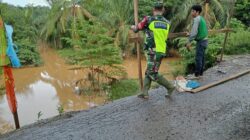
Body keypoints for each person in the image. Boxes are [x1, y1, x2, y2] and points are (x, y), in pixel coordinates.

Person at [131, 1, 174, 99]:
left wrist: (132, 27)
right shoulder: (167, 22)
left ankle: (170, 87)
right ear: (162, 10)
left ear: (153, 9)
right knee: (150, 70)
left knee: (152, 73)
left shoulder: (148, 19)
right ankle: (145, 92)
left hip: (152, 51)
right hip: (161, 50)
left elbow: (136, 29)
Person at [186, 4, 208, 78]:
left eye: (193, 11)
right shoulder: (201, 18)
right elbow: (198, 31)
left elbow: (194, 32)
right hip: (205, 40)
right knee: (202, 58)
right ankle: (201, 74)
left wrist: (189, 41)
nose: (191, 13)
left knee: (198, 58)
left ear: (197, 12)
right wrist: (190, 34)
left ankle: (197, 75)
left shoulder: (196, 19)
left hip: (201, 42)